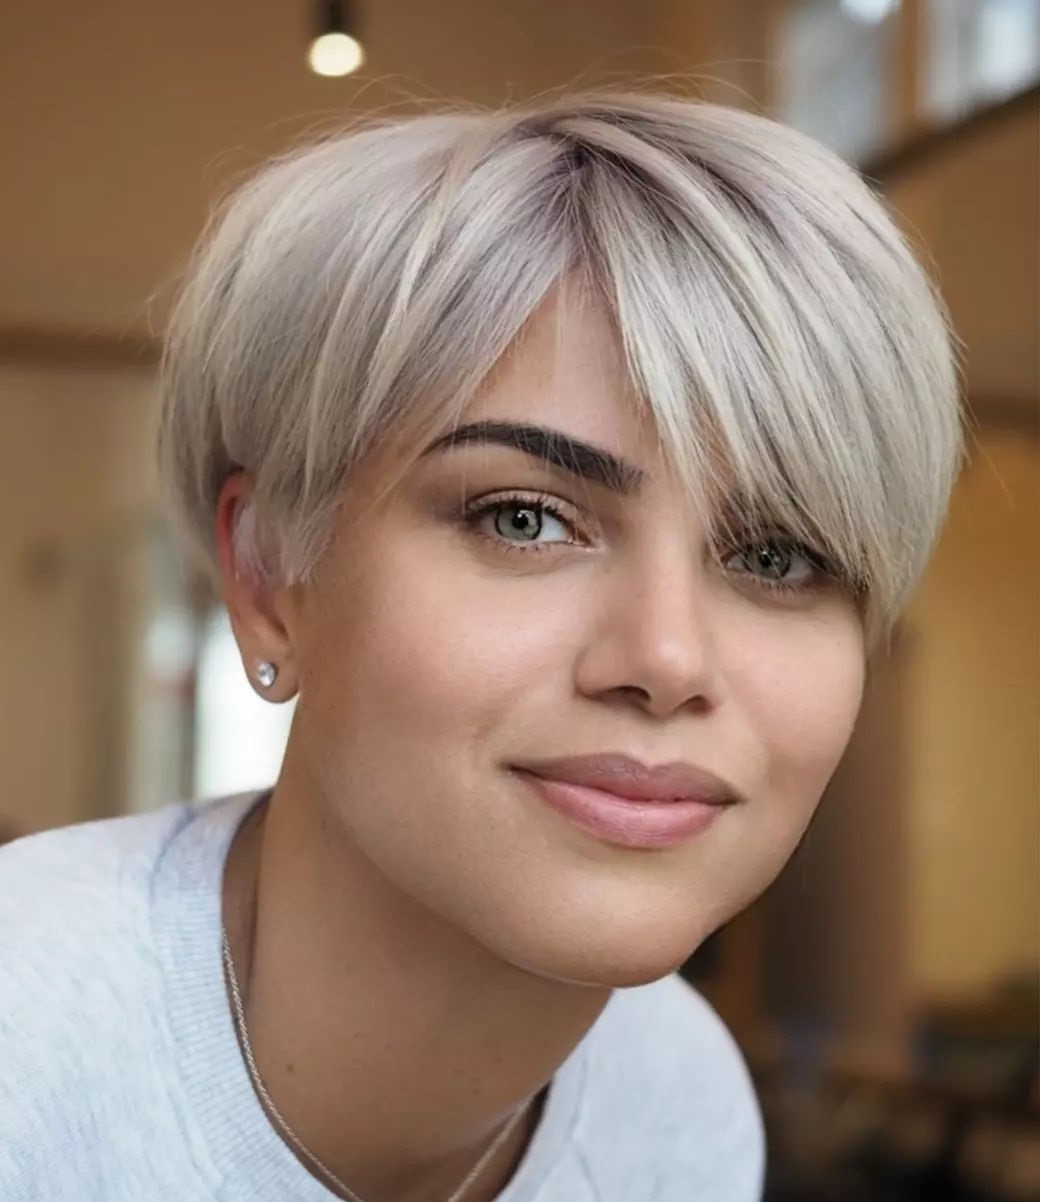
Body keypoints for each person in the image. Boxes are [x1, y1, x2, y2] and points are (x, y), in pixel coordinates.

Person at [0, 91, 962, 1202]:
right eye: (524, 517)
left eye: (777, 556)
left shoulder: (679, 1102)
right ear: (268, 577)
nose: (665, 655)